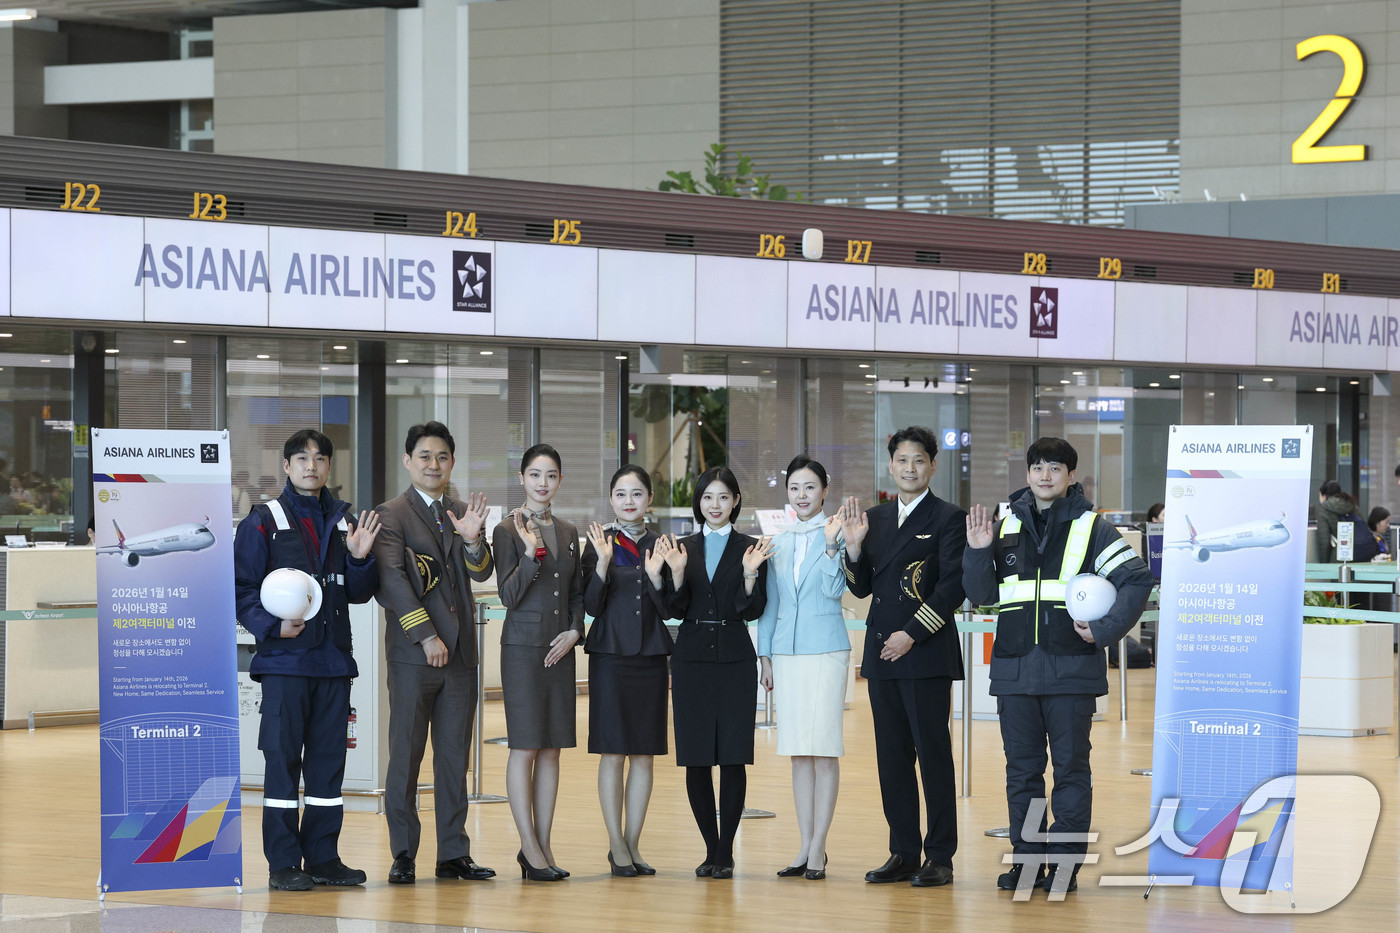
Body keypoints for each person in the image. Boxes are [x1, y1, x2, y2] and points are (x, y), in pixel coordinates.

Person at [963, 437, 1153, 896]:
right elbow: (982, 594)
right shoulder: (1005, 525)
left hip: (1070, 671)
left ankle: (1064, 868)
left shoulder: (1093, 527)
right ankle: (1027, 864)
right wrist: (978, 550)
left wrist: (1104, 630)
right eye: (1037, 467)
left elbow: (1137, 578)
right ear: (1027, 474)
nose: (1045, 475)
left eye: (1055, 467)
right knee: (1022, 775)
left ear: (1070, 475)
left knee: (1070, 772)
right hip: (1015, 672)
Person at [233, 429, 381, 891]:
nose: (311, 466)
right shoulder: (263, 520)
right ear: (286, 465)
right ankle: (282, 864)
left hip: (333, 664)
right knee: (281, 764)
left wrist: (360, 559)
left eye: (319, 458)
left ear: (329, 466)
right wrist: (271, 626)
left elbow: (358, 593)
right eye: (301, 458)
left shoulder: (344, 522)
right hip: (285, 664)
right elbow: (240, 588)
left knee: (327, 766)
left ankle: (323, 858)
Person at [842, 426, 966, 889]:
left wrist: (911, 634)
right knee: (892, 758)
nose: (909, 468)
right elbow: (860, 588)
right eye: (901, 460)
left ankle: (940, 856)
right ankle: (903, 851)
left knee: (933, 757)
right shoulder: (873, 518)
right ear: (890, 465)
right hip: (882, 655)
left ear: (933, 465)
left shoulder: (949, 518)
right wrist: (853, 547)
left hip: (925, 653)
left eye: (918, 460)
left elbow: (951, 586)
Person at [374, 421, 496, 886]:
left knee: (453, 759)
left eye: (442, 456)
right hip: (414, 656)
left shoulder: (463, 512)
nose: (433, 464)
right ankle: (404, 853)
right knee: (405, 756)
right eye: (425, 456)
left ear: (452, 463)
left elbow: (480, 572)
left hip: (461, 657)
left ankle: (453, 853)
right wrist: (425, 636)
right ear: (408, 461)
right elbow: (392, 581)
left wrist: (473, 539)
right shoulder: (391, 515)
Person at [663, 466, 774, 880]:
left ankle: (725, 850)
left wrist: (749, 573)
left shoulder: (752, 548)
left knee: (732, 757)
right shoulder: (682, 547)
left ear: (736, 501)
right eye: (708, 497)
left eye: (723, 497)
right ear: (699, 501)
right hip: (691, 658)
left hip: (734, 657)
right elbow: (672, 608)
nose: (715, 505)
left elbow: (754, 609)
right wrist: (676, 573)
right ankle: (710, 847)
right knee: (695, 759)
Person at [492, 443, 586, 882]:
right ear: (522, 478)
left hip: (560, 648)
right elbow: (508, 596)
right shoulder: (506, 530)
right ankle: (528, 847)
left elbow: (577, 593)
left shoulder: (569, 531)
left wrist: (575, 630)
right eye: (534, 474)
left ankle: (544, 846)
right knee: (525, 745)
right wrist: (530, 553)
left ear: (560, 480)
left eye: (550, 475)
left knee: (552, 747)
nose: (542, 483)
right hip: (523, 650)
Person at [756, 456, 848, 881]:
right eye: (795, 487)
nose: (802, 495)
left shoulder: (839, 533)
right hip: (787, 654)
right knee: (798, 753)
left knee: (823, 749)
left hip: (826, 650)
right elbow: (771, 605)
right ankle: (804, 844)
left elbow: (834, 590)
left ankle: (819, 847)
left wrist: (830, 547)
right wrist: (765, 655)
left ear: (825, 490)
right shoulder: (779, 541)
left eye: (810, 487)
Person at [580, 465, 673, 877]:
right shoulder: (598, 543)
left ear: (649, 498)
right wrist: (601, 565)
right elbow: (590, 606)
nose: (629, 501)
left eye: (636, 493)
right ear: (611, 499)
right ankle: (615, 843)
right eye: (620, 493)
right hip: (610, 656)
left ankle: (633, 842)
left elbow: (670, 608)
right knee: (613, 752)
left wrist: (660, 578)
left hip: (650, 656)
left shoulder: (663, 544)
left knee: (644, 754)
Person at [1314, 480, 1359, 563]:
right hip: (1360, 552)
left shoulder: (1323, 509)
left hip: (1339, 556)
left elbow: (1324, 541)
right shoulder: (1351, 503)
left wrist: (1323, 565)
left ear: (1324, 496)